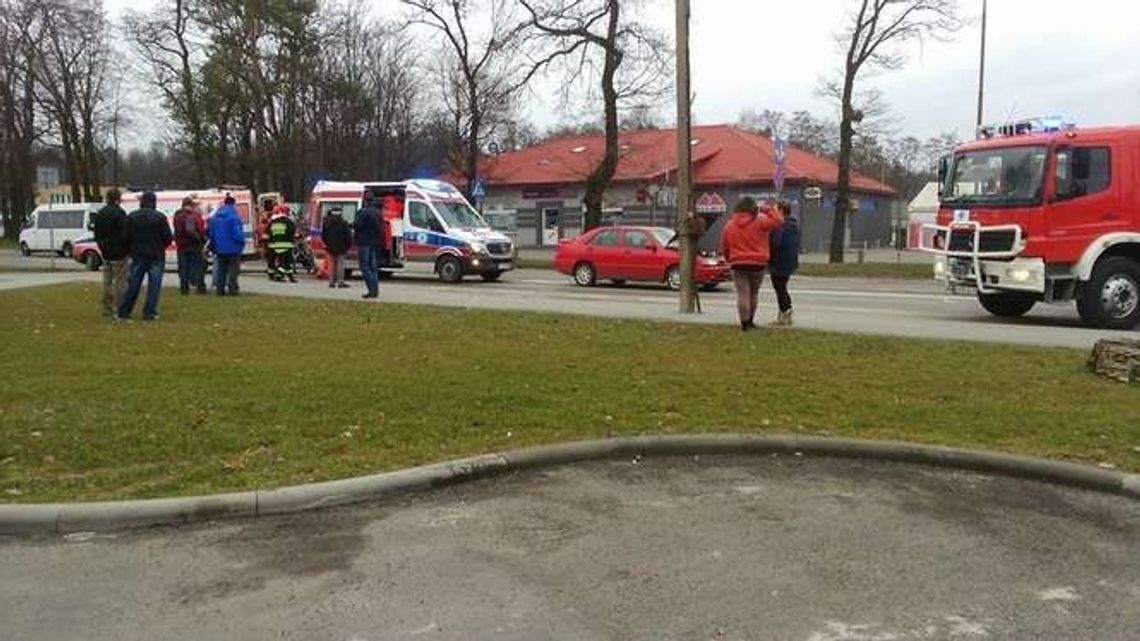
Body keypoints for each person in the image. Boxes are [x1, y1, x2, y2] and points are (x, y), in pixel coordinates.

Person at [720, 196, 783, 331]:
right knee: (753, 293)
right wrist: (767, 209)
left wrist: (729, 259)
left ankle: (744, 323)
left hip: (737, 263)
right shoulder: (760, 221)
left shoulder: (729, 225)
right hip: (758, 263)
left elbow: (725, 247)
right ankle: (751, 321)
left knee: (743, 294)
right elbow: (778, 221)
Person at [116, 192, 173, 321]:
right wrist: (160, 246)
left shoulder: (132, 217)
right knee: (154, 286)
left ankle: (124, 311)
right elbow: (168, 237)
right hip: (156, 255)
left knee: (133, 285)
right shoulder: (160, 217)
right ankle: (150, 313)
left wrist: (131, 248)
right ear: (154, 202)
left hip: (137, 254)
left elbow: (125, 237)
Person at [89, 189, 129, 317]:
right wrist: (127, 247)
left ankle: (107, 307)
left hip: (105, 251)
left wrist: (102, 246)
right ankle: (120, 307)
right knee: (120, 282)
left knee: (107, 281)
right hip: (120, 252)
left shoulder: (100, 213)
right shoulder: (120, 213)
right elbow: (125, 233)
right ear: (118, 199)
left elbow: (96, 234)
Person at [767, 200, 800, 327]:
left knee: (780, 289)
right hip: (790, 260)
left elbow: (775, 242)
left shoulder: (780, 225)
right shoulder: (794, 224)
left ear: (780, 210)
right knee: (782, 287)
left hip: (779, 261)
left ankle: (786, 313)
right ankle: (783, 314)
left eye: (775, 209)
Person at [208, 195, 246, 296]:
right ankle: (232, 290)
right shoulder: (234, 217)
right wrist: (242, 242)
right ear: (233, 204)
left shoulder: (215, 217)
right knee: (233, 270)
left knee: (221, 270)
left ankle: (220, 290)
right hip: (233, 248)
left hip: (219, 248)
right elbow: (237, 234)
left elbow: (211, 233)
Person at [173, 197, 207, 295]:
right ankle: (200, 288)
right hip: (193, 245)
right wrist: (199, 239)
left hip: (181, 246)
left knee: (183, 268)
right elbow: (190, 230)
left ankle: (184, 289)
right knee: (198, 267)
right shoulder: (190, 216)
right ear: (189, 206)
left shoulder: (177, 216)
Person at [353, 193, 381, 299]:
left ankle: (371, 290)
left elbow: (358, 225)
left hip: (363, 242)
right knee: (373, 268)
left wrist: (351, 224)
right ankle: (375, 290)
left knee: (364, 267)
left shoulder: (362, 212)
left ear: (364, 201)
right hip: (374, 243)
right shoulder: (378, 212)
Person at [321, 207, 352, 289]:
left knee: (332, 265)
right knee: (340, 265)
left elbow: (323, 236)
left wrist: (327, 244)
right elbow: (348, 236)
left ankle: (331, 282)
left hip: (330, 247)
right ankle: (340, 282)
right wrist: (347, 246)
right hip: (342, 247)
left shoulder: (327, 223)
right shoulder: (344, 223)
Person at [266, 204, 298, 283]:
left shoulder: (272, 222)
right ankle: (280, 275)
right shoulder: (289, 222)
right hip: (286, 245)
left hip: (273, 246)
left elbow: (268, 233)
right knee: (286, 262)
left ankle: (271, 275)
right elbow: (292, 234)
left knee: (272, 261)